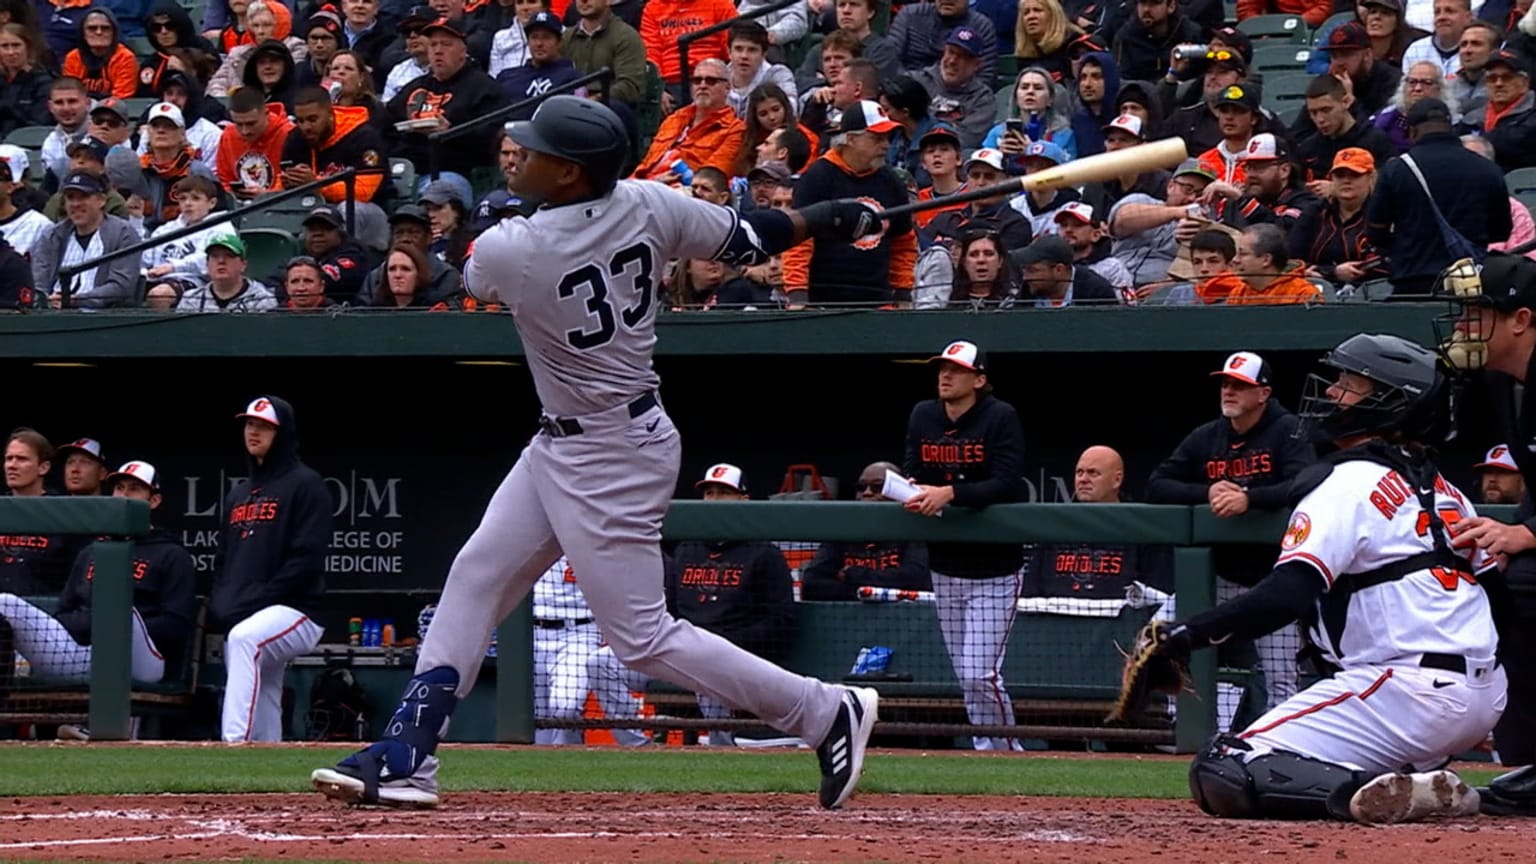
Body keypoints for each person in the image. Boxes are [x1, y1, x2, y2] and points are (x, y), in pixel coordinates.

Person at [311, 95, 882, 811]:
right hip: (574, 438)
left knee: (642, 637)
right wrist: (827, 219)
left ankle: (825, 711)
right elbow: (752, 236)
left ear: (572, 173)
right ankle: (407, 753)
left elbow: (473, 266)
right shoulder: (646, 202)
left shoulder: (515, 249)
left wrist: (820, 220)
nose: (518, 154)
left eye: (536, 152)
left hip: (610, 450)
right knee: (477, 575)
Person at [1155, 333, 1504, 824]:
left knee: (1225, 768)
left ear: (1393, 402)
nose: (1332, 393)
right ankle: (1430, 783)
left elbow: (1287, 595)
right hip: (1481, 694)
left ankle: (1371, 792)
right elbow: (1501, 600)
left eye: (1350, 385)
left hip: (1404, 690)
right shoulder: (1447, 492)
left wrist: (1189, 634)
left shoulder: (1348, 481)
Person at [1433, 251, 1536, 815]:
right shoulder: (1503, 383)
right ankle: (1524, 763)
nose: (1461, 327)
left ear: (1519, 320)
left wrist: (1530, 534)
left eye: (1475, 314)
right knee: (1507, 587)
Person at [901, 340, 1026, 750]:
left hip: (995, 568)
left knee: (979, 673)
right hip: (945, 564)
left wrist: (950, 493)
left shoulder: (999, 415)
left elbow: (1007, 483)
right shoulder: (923, 414)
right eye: (942, 368)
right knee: (965, 674)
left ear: (980, 379)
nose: (946, 375)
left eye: (956, 369)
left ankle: (1007, 750)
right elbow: (912, 469)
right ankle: (985, 751)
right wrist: (915, 489)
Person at [214, 396, 330, 743]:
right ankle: (267, 754)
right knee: (263, 680)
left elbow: (307, 559)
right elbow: (223, 561)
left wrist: (258, 599)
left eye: (264, 426)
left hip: (299, 609)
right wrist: (225, 603)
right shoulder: (239, 494)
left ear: (283, 432)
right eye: (250, 424)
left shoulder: (307, 484)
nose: (254, 432)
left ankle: (233, 744)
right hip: (253, 610)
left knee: (245, 640)